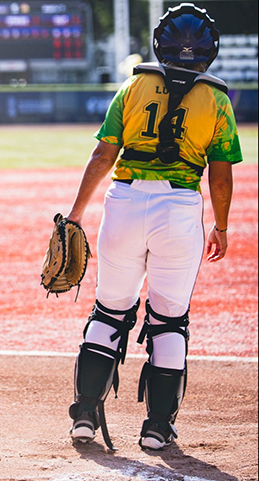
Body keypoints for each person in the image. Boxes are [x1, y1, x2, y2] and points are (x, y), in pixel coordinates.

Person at [65, 3, 242, 451]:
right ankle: (157, 428)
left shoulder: (134, 85)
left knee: (109, 311)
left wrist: (75, 214)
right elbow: (220, 176)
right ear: (209, 51)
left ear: (160, 44)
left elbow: (102, 157)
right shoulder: (218, 101)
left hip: (124, 203)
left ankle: (84, 414)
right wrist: (221, 225)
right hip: (179, 210)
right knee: (168, 321)